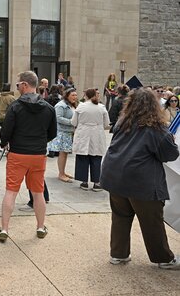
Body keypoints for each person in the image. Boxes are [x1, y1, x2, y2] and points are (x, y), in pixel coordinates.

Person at [100, 88, 180, 270]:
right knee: (152, 221)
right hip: (141, 181)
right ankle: (164, 258)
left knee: (120, 216)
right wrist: (171, 140)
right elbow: (170, 154)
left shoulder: (123, 122)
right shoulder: (156, 128)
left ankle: (118, 254)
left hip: (115, 176)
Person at [0, 71, 57, 242]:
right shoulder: (48, 108)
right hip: (38, 154)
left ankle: (4, 229)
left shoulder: (15, 107)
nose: (16, 88)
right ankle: (40, 226)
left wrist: (5, 143)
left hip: (17, 153)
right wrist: (40, 142)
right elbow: (52, 133)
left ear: (24, 85)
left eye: (17, 85)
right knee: (38, 192)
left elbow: (6, 131)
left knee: (11, 191)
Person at [71, 88, 109, 191]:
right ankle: (97, 182)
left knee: (83, 156)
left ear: (86, 96)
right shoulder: (101, 107)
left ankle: (84, 182)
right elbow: (106, 123)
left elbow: (74, 122)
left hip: (83, 132)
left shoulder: (81, 106)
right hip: (97, 133)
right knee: (96, 157)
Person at [49, 88, 78, 182]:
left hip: (68, 132)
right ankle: (61, 174)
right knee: (62, 153)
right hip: (62, 132)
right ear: (67, 95)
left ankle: (63, 172)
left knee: (65, 153)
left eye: (76, 95)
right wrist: (72, 122)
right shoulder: (61, 105)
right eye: (73, 95)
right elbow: (58, 118)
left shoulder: (71, 105)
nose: (75, 97)